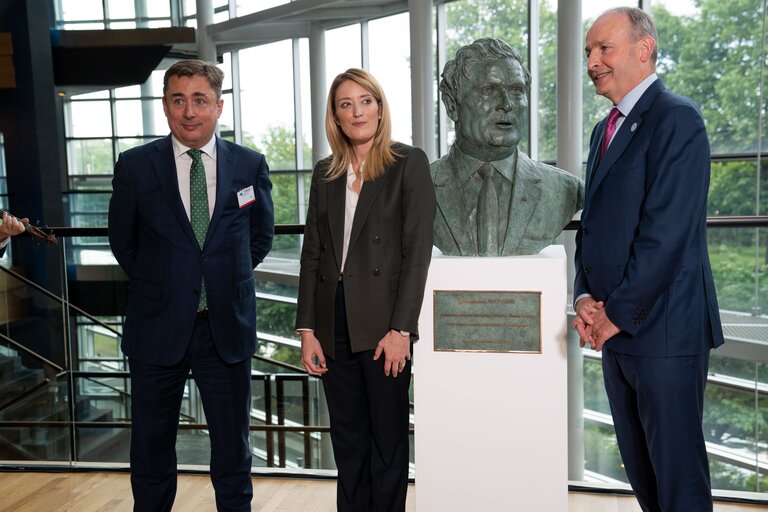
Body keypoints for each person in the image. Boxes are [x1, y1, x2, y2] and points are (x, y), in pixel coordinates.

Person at [574, 8, 724, 512]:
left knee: (678, 482)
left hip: (665, 334)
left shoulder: (677, 119)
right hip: (618, 334)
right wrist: (584, 297)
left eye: (604, 48)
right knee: (644, 476)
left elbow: (667, 235)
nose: (593, 61)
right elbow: (593, 227)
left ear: (644, 49)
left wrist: (614, 314)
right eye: (588, 52)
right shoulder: (603, 132)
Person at [108, 59, 274, 512]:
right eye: (178, 100)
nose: (189, 111)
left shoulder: (249, 165)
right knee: (151, 450)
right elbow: (123, 242)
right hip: (157, 329)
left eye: (199, 100)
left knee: (233, 453)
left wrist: (219, 281)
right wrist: (167, 284)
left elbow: (259, 237)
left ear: (219, 106)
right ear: (165, 106)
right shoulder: (136, 167)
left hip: (225, 329)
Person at [295, 68, 435, 512]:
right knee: (349, 438)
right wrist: (307, 329)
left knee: (388, 438)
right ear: (335, 116)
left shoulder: (407, 163)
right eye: (345, 104)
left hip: (383, 322)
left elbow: (418, 254)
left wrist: (401, 330)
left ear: (379, 106)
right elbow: (312, 254)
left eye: (365, 100)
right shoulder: (325, 172)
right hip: (332, 320)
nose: (357, 111)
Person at [432, 38, 583, 257]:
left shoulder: (567, 190)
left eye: (516, 91)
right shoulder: (417, 188)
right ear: (452, 105)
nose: (506, 103)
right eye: (488, 90)